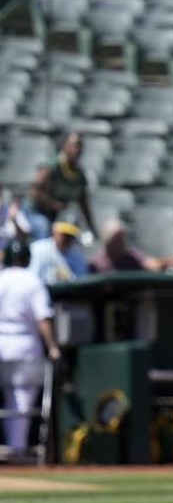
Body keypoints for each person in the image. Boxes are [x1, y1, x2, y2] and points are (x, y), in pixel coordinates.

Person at [0, 240, 61, 462]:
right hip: (24, 345)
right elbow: (42, 318)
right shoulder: (32, 281)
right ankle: (16, 449)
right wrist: (53, 346)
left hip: (2, 343)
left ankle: (13, 450)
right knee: (20, 398)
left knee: (11, 397)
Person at [23, 132, 96, 241]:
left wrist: (92, 228)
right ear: (65, 146)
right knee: (44, 230)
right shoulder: (51, 167)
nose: (76, 150)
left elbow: (84, 204)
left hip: (57, 216)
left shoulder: (80, 176)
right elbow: (35, 192)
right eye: (73, 145)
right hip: (35, 212)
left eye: (79, 146)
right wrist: (53, 204)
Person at [88, 220, 173, 274]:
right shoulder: (97, 264)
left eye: (122, 239)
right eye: (117, 240)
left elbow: (151, 264)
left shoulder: (132, 256)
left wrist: (168, 262)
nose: (121, 244)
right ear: (108, 242)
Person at [28, 221, 88, 285]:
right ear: (54, 233)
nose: (67, 239)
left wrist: (68, 278)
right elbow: (30, 277)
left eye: (70, 236)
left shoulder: (77, 256)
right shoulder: (39, 248)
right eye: (64, 235)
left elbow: (81, 282)